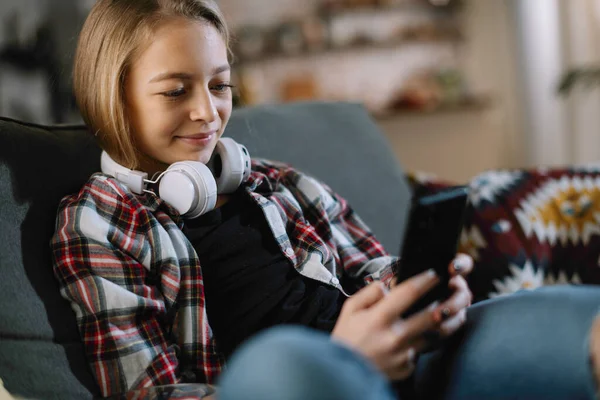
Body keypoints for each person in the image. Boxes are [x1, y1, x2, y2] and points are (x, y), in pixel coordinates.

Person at [50, 0, 599, 399]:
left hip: (403, 366)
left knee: (586, 319)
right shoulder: (96, 222)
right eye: (176, 90)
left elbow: (373, 265)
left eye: (219, 86)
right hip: (286, 383)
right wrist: (344, 360)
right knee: (284, 363)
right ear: (113, 95)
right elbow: (149, 393)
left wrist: (417, 293)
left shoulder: (279, 183)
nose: (207, 113)